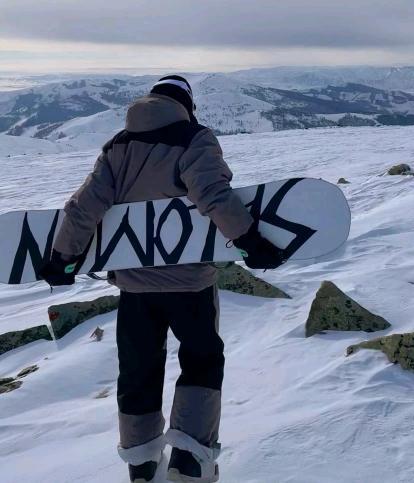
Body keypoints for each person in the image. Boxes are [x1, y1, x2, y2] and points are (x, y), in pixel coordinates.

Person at [40, 75, 286, 483]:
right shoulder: (193, 138)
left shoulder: (118, 146)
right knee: (202, 363)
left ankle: (141, 465)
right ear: (186, 105)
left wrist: (63, 258)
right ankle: (190, 463)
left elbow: (85, 207)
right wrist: (249, 240)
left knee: (138, 371)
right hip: (190, 284)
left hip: (135, 288)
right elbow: (212, 195)